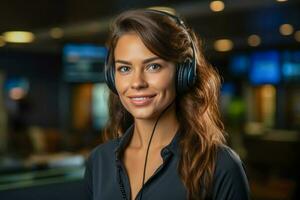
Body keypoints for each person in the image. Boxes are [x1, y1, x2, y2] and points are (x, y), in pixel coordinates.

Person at [84, 7, 250, 200]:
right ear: (112, 78)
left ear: (182, 74)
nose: (137, 83)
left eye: (153, 66)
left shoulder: (220, 165)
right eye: (125, 68)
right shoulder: (99, 161)